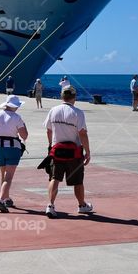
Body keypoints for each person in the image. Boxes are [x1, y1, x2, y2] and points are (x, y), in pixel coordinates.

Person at [42, 85, 94, 218]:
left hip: (57, 150)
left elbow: (48, 130)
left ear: (62, 96)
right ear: (74, 97)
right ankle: (82, 205)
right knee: (77, 181)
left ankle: (50, 205)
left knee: (55, 178)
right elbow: (82, 133)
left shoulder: (53, 110)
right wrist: (87, 152)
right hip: (74, 153)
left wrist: (50, 145)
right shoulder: (78, 113)